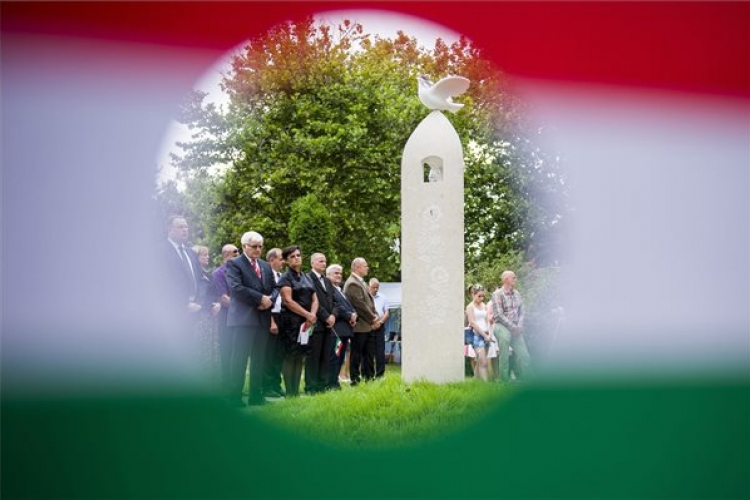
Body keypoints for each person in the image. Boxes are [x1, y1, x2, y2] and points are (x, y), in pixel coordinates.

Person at [225, 231, 277, 406]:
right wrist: (260, 299)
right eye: (254, 246)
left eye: (260, 246)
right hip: (243, 319)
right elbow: (236, 288)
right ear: (244, 246)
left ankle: (256, 396)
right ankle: (234, 397)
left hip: (262, 318)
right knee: (239, 359)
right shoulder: (234, 263)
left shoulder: (265, 266)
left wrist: (269, 300)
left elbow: (275, 288)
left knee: (259, 359)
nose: (258, 250)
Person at [277, 245, 318, 397]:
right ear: (286, 261)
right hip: (290, 322)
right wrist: (307, 315)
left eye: (298, 255)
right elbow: (288, 301)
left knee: (300, 355)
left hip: (306, 322)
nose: (296, 258)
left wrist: (312, 316)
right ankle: (290, 392)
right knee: (290, 355)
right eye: (292, 256)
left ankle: (296, 392)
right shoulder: (285, 278)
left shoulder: (307, 277)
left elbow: (315, 299)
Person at [343, 258, 381, 386]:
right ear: (357, 267)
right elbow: (360, 305)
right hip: (359, 326)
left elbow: (369, 303)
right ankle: (355, 380)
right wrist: (373, 318)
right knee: (357, 354)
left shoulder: (361, 282)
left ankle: (369, 379)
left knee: (369, 354)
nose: (367, 268)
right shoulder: (352, 283)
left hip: (367, 325)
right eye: (365, 266)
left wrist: (375, 315)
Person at [490, 270, 532, 382]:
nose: (515, 279)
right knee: (504, 352)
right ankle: (504, 380)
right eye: (513, 277)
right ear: (506, 280)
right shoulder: (497, 294)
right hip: (501, 326)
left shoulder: (517, 294)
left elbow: (522, 311)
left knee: (524, 355)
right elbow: (499, 315)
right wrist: (513, 326)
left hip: (516, 327)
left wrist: (519, 325)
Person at [162, 215, 202, 321]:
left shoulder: (192, 253)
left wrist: (200, 302)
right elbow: (162, 283)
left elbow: (200, 279)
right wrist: (184, 304)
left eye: (186, 227)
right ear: (170, 229)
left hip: (194, 312)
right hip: (172, 313)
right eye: (180, 227)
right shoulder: (160, 252)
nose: (185, 230)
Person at [306, 252, 336, 395]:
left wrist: (333, 315)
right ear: (312, 263)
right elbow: (312, 301)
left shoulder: (328, 281)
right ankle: (311, 386)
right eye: (320, 261)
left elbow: (334, 300)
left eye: (325, 261)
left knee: (325, 356)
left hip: (329, 325)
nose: (324, 263)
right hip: (317, 323)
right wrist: (326, 317)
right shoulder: (308, 278)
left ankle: (322, 385)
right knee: (314, 356)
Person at [212, 243, 239, 390]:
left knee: (237, 352)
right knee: (227, 350)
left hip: (239, 318)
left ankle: (235, 383)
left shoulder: (238, 272)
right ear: (226, 255)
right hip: (226, 318)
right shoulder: (219, 273)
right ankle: (226, 384)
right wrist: (242, 308)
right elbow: (223, 298)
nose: (238, 255)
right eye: (235, 252)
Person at [326, 264, 357, 390]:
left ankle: (335, 382)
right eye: (336, 273)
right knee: (334, 357)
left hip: (345, 330)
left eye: (340, 273)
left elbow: (349, 306)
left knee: (340, 358)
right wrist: (350, 315)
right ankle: (331, 383)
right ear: (328, 275)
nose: (339, 275)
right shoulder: (329, 289)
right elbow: (336, 305)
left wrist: (354, 314)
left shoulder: (340, 289)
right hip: (336, 329)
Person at [192, 245, 221, 379]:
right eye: (204, 255)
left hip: (211, 317)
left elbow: (216, 294)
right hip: (200, 317)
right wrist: (209, 305)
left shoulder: (208, 274)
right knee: (201, 351)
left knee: (211, 351)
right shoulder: (195, 275)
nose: (207, 257)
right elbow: (200, 297)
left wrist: (218, 304)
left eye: (208, 254)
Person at [263, 247, 286, 398]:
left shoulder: (282, 276)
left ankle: (276, 385)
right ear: (272, 260)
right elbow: (266, 300)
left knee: (279, 354)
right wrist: (271, 321)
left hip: (282, 316)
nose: (283, 262)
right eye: (281, 259)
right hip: (270, 317)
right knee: (268, 354)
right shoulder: (265, 276)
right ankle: (266, 386)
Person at [466, 284, 493, 381]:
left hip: (486, 335)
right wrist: (484, 335)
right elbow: (472, 323)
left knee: (480, 361)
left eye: (483, 296)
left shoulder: (484, 305)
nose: (481, 298)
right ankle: (485, 385)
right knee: (483, 362)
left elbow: (487, 320)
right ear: (473, 294)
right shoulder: (470, 307)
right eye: (479, 296)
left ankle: (475, 381)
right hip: (477, 336)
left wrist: (489, 333)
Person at [368, 278, 389, 378]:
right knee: (369, 352)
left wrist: (380, 322)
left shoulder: (383, 297)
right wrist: (372, 324)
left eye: (377, 287)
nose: (375, 289)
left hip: (380, 326)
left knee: (380, 352)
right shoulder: (366, 298)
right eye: (373, 287)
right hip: (369, 327)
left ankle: (380, 375)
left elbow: (387, 313)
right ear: (369, 287)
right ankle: (369, 374)